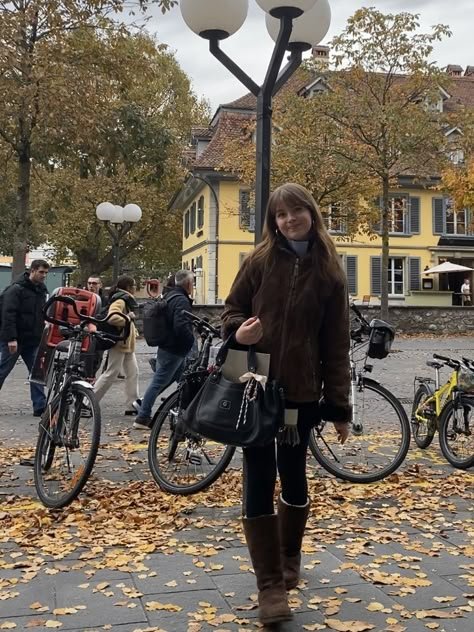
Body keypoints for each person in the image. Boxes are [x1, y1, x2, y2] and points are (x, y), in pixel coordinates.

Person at [221, 183, 351, 626]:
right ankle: (270, 585)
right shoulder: (258, 261)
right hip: (256, 387)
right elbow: (231, 309)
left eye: (296, 211)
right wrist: (238, 333)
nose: (289, 220)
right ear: (273, 221)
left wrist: (339, 408)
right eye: (280, 215)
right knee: (258, 476)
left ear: (311, 213)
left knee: (293, 475)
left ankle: (290, 555)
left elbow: (336, 345)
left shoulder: (330, 271)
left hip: (300, 394)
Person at [134, 270, 195, 429]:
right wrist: (190, 341)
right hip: (174, 349)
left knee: (182, 381)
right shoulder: (181, 300)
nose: (193, 286)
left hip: (168, 347)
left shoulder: (170, 296)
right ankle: (142, 416)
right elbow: (181, 326)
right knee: (158, 382)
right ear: (188, 284)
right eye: (193, 283)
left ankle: (187, 413)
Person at [0, 259, 50, 416]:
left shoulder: (41, 290)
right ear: (32, 271)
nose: (44, 276)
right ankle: (39, 404)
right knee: (2, 371)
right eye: (41, 272)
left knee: (37, 373)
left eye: (46, 273)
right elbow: (8, 315)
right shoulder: (16, 290)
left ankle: (40, 406)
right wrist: (11, 338)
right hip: (16, 339)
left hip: (33, 340)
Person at [93, 275, 140, 416]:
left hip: (126, 344)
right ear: (129, 287)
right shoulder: (121, 299)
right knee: (111, 373)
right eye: (134, 285)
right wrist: (128, 317)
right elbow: (113, 318)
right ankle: (88, 401)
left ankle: (132, 404)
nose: (136, 288)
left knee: (133, 373)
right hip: (120, 342)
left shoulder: (123, 298)